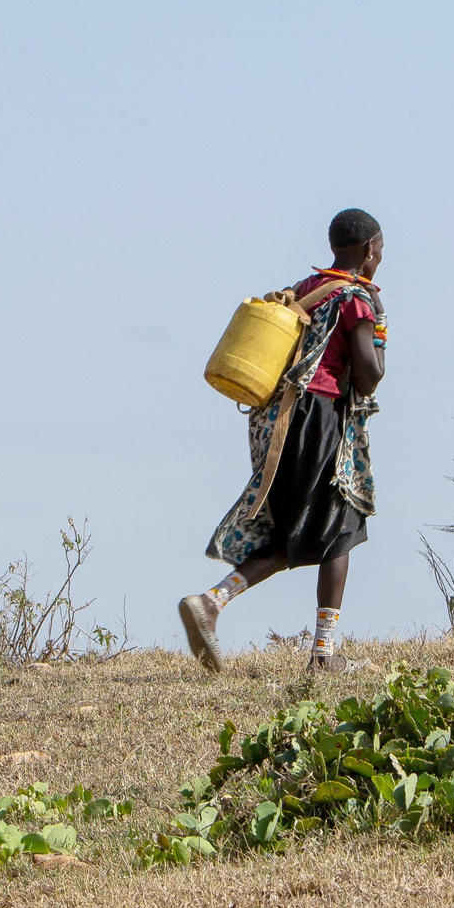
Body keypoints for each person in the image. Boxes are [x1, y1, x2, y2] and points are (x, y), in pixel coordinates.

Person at [181, 209, 387, 675]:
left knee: (290, 529)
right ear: (370, 249)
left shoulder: (307, 288)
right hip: (321, 418)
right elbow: (369, 378)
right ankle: (324, 655)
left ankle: (211, 602)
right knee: (343, 527)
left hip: (282, 422)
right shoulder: (357, 301)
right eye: (380, 251)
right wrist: (381, 338)